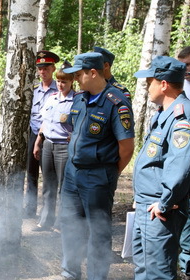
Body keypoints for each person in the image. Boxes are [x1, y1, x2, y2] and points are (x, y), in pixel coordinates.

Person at [59, 52, 135, 279]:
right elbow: (73, 133)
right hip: (73, 174)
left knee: (98, 231)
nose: (76, 80)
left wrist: (110, 172)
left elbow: (127, 147)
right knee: (70, 225)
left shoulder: (116, 102)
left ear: (93, 73)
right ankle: (70, 273)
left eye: (79, 75)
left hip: (98, 176)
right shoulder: (79, 98)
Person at [132, 56, 190, 280]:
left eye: (149, 81)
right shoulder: (163, 113)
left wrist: (164, 202)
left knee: (158, 272)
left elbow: (182, 164)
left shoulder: (183, 115)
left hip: (160, 209)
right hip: (146, 204)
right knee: (143, 267)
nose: (146, 87)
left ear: (163, 84)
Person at [32, 61, 75, 231]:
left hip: (63, 147)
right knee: (48, 186)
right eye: (58, 81)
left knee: (63, 186)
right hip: (48, 145)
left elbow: (77, 125)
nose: (60, 84)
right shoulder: (51, 99)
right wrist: (38, 142)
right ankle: (45, 220)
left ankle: (61, 223)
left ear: (72, 82)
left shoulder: (76, 100)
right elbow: (45, 122)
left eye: (64, 81)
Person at [24, 50, 60, 218]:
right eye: (40, 68)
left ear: (53, 68)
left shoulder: (59, 88)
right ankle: (30, 210)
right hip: (33, 134)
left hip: (49, 137)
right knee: (31, 173)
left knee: (48, 177)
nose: (42, 72)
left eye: (46, 68)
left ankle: (47, 214)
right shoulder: (34, 90)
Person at [177, 46, 190, 280]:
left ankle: (189, 266)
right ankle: (185, 262)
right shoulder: (179, 86)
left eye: (189, 65)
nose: (185, 70)